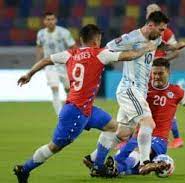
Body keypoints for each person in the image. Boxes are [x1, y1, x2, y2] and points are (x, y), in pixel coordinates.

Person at [13, 24, 157, 183]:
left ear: (81, 40)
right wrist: (147, 48)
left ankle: (98, 166)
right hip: (75, 113)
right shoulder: (100, 54)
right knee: (55, 146)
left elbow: (47, 59)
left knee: (112, 127)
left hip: (86, 108)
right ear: (97, 39)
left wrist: (29, 74)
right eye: (100, 38)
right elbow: (129, 55)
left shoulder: (70, 54)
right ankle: (24, 169)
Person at [84, 11, 185, 176]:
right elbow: (107, 49)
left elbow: (162, 45)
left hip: (138, 93)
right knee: (149, 123)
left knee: (123, 132)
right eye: (161, 29)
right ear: (150, 25)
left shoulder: (155, 39)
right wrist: (126, 56)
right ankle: (145, 163)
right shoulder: (131, 38)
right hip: (130, 89)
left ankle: (93, 158)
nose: (162, 33)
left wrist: (177, 46)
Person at [107, 58, 185, 175]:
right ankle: (117, 169)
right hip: (139, 136)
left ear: (168, 73)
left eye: (160, 73)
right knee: (121, 165)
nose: (156, 77)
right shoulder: (143, 89)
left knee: (137, 152)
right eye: (154, 73)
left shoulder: (177, 92)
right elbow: (129, 109)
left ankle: (144, 165)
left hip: (159, 139)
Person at [146, 4, 184, 149]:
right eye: (149, 11)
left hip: (158, 74)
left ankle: (177, 138)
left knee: (165, 104)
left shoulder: (166, 32)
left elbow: (177, 51)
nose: (152, 13)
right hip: (145, 74)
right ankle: (133, 138)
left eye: (155, 11)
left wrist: (162, 63)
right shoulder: (143, 32)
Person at [36, 12, 77, 116]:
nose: (50, 21)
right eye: (48, 19)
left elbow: (73, 47)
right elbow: (39, 47)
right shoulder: (41, 33)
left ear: (56, 20)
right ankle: (60, 115)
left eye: (52, 19)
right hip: (50, 65)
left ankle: (68, 111)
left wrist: (75, 61)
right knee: (54, 88)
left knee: (68, 89)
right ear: (44, 21)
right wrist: (39, 62)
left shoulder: (64, 32)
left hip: (64, 65)